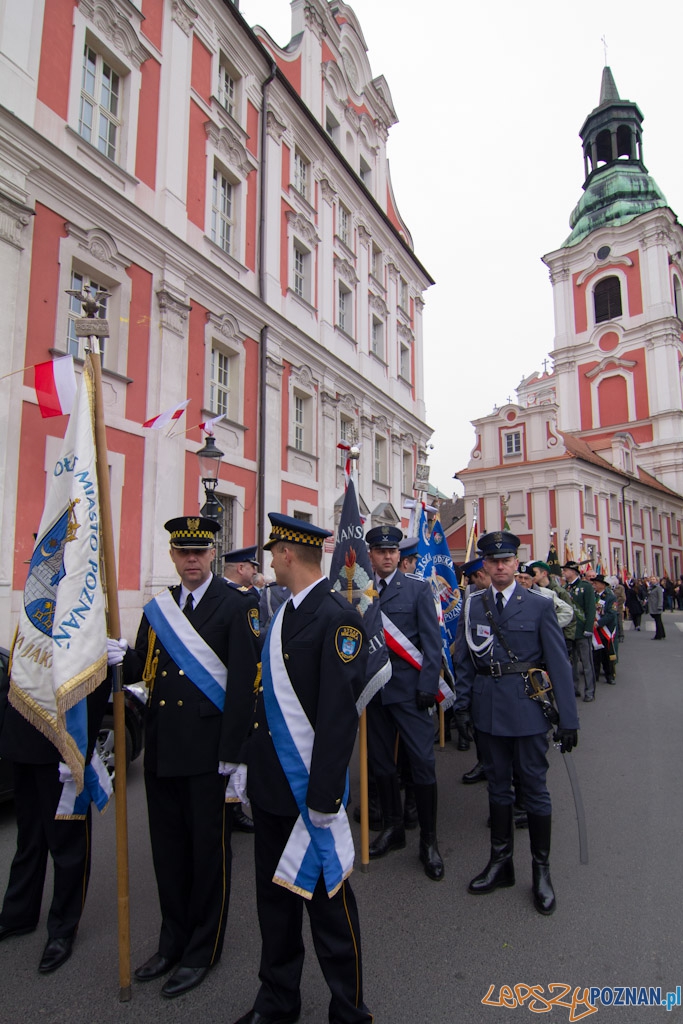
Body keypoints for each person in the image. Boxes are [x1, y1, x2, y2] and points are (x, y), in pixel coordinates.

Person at [232, 513, 372, 1024]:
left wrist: (322, 799)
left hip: (311, 795)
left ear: (289, 553)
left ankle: (349, 1011)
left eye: (273, 551)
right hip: (273, 789)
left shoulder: (338, 618)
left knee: (331, 913)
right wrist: (247, 768)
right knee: (275, 910)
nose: (269, 559)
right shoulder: (283, 612)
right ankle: (277, 1002)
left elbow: (338, 720)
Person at [118, 516, 260, 998]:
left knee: (207, 856)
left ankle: (203, 947)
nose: (192, 559)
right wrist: (121, 661)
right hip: (162, 753)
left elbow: (244, 685)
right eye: (184, 552)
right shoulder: (158, 609)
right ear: (174, 557)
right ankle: (171, 941)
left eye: (200, 551)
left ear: (212, 554)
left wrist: (236, 758)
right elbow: (144, 672)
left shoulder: (236, 606)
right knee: (169, 855)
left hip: (207, 756)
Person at [454, 531, 579, 916]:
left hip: (527, 709)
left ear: (516, 562)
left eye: (506, 560)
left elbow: (558, 663)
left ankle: (541, 871)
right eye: (492, 561)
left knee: (535, 790)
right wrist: (461, 707)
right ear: (485, 566)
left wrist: (569, 720)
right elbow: (464, 662)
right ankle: (500, 863)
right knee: (498, 790)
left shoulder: (538, 605)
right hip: (488, 710)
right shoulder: (473, 605)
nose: (499, 566)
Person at [0, 674, 110, 973]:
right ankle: (18, 914)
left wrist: (80, 751)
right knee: (29, 840)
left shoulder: (83, 626)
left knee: (68, 846)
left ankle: (62, 929)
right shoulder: (26, 624)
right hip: (23, 736)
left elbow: (96, 683)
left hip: (63, 746)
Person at [365, 525, 445, 881]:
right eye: (380, 551)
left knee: (422, 764)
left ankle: (429, 842)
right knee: (382, 764)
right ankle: (394, 828)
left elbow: (432, 642)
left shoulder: (416, 589)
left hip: (411, 691)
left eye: (392, 551)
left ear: (399, 555)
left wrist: (428, 684)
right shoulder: (361, 593)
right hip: (375, 692)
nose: (387, 556)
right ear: (370, 555)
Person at [457, 557, 490, 784]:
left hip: (517, 685)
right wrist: (462, 704)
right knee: (483, 731)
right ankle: (484, 763)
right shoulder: (472, 603)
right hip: (483, 683)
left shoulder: (532, 602)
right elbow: (463, 654)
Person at [561, 561, 597, 701]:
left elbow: (590, 608)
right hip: (570, 632)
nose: (564, 572)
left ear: (573, 571)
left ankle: (590, 690)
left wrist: (588, 628)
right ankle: (575, 688)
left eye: (566, 570)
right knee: (572, 662)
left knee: (587, 663)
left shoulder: (585, 587)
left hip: (582, 630)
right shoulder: (565, 588)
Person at [591, 576, 618, 683]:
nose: (594, 585)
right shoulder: (592, 595)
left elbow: (611, 614)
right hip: (595, 630)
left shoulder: (610, 597)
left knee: (607, 654)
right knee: (596, 653)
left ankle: (610, 675)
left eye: (596, 583)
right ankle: (595, 674)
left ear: (603, 585)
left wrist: (599, 623)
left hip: (605, 629)